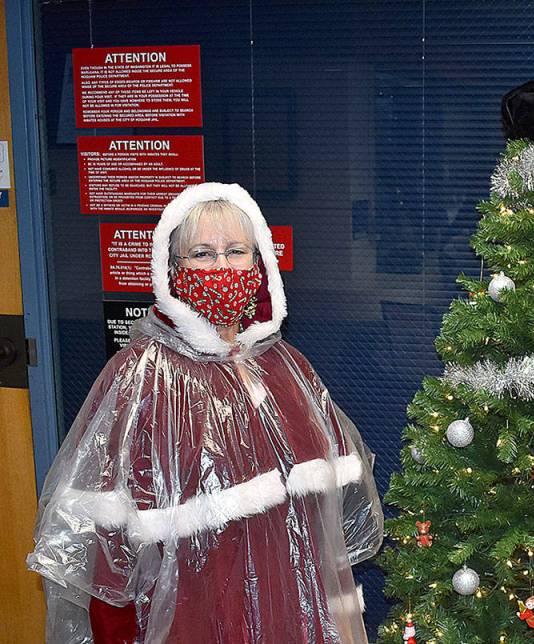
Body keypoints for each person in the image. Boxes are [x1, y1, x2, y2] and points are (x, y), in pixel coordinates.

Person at [28, 183, 384, 643]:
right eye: (202, 253)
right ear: (174, 271)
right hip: (196, 614)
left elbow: (333, 522)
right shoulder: (142, 375)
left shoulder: (287, 368)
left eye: (236, 251)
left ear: (260, 267)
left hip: (291, 609)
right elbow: (107, 542)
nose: (222, 266)